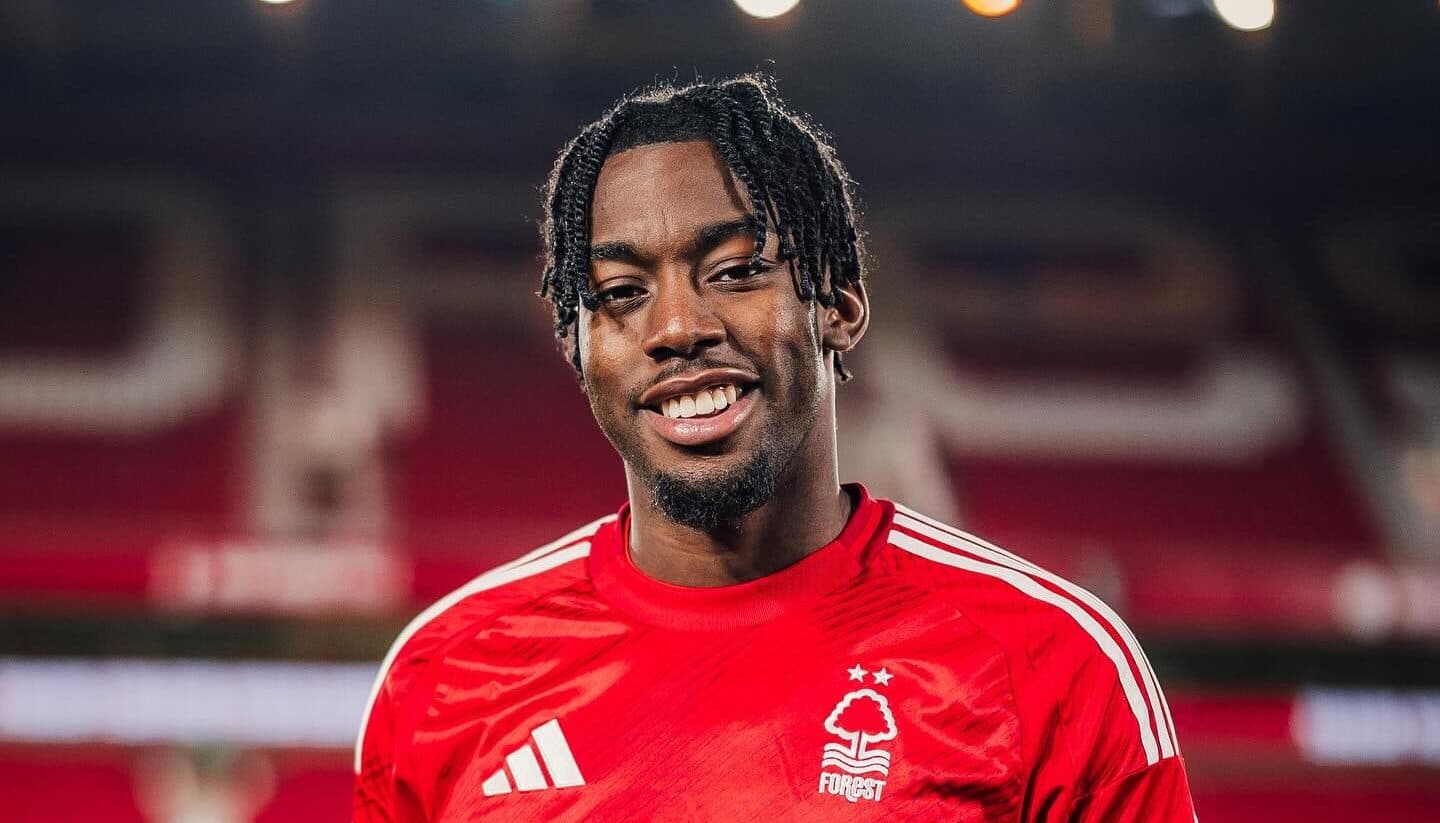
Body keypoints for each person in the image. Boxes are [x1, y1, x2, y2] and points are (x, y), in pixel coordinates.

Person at [353, 75, 1196, 822]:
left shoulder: (1054, 665)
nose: (677, 327)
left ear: (839, 303)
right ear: (578, 345)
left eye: (735, 270)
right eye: (621, 292)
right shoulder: (442, 675)